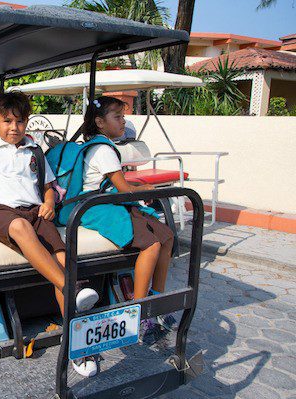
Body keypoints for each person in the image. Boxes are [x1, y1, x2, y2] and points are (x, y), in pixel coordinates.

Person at [0, 92, 100, 377]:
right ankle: (73, 289)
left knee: (61, 257)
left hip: (34, 212)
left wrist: (49, 203)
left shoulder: (34, 151)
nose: (14, 127)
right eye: (8, 121)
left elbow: (48, 186)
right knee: (20, 227)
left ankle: (77, 345)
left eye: (20, 121)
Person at [80, 96, 175, 343]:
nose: (123, 122)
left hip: (107, 200)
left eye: (123, 117)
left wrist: (141, 187)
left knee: (166, 236)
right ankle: (140, 310)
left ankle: (157, 297)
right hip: (97, 207)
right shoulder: (102, 149)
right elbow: (123, 189)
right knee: (151, 243)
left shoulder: (105, 146)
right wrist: (147, 191)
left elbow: (118, 184)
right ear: (100, 122)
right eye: (118, 117)